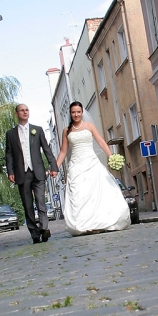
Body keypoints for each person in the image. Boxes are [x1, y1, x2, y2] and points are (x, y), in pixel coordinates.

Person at [56, 101, 130, 236]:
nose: (76, 114)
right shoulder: (67, 131)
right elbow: (63, 151)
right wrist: (55, 167)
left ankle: (100, 222)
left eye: (78, 112)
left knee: (97, 193)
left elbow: (101, 141)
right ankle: (84, 225)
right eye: (73, 112)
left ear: (82, 112)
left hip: (91, 163)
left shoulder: (89, 126)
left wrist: (111, 157)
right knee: (80, 194)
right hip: (76, 166)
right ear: (70, 114)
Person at [5, 103, 58, 244]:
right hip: (22, 174)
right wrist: (10, 171)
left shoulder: (37, 130)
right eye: (22, 110)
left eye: (27, 110)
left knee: (41, 201)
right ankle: (34, 233)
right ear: (16, 114)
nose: (25, 112)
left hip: (38, 172)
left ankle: (44, 228)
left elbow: (47, 150)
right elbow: (9, 154)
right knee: (27, 205)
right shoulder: (10, 134)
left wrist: (53, 166)